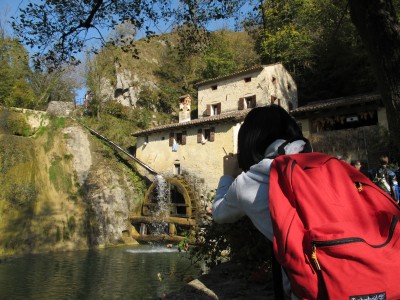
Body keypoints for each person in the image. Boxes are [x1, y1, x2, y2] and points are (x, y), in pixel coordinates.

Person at [212, 105, 312, 299]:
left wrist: (227, 176)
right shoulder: (323, 162)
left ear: (250, 140)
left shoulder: (252, 179)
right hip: (373, 274)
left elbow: (219, 214)